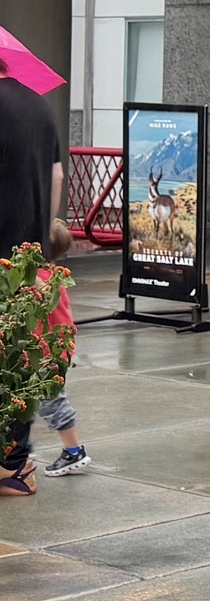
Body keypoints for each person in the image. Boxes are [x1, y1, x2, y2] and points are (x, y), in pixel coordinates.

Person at [0, 60, 64, 496]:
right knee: (20, 360)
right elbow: (57, 174)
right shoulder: (40, 107)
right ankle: (14, 468)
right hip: (27, 259)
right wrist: (42, 232)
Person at [30, 222, 90, 478]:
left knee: (51, 404)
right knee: (26, 402)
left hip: (46, 353)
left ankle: (74, 451)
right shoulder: (53, 275)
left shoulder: (37, 280)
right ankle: (20, 448)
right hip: (52, 351)